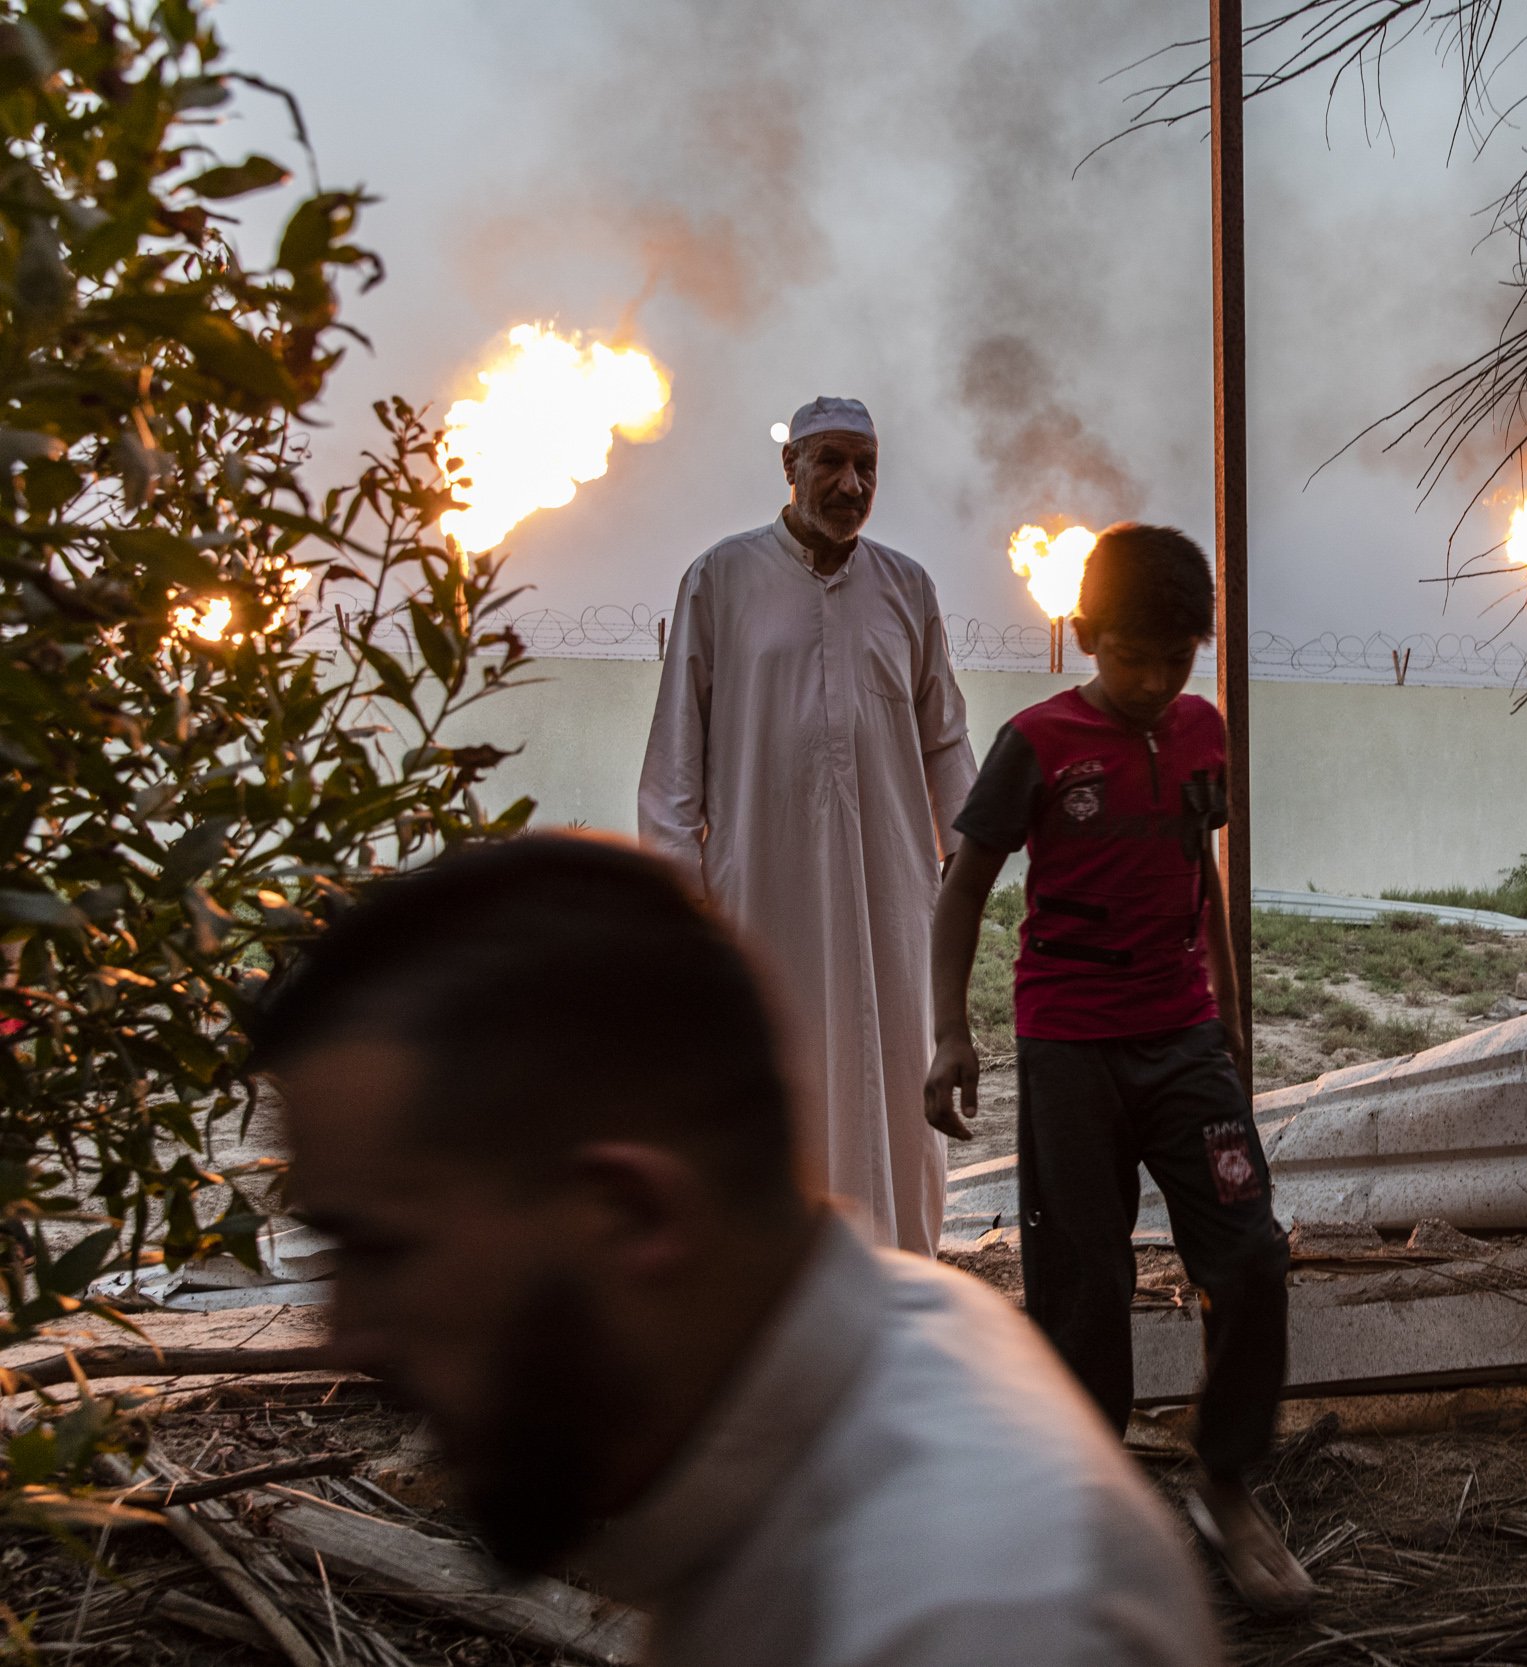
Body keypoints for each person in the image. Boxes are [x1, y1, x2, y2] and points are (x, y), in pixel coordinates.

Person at [255, 834, 1222, 1667]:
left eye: (381, 1248)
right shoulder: (863, 1355)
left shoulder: (979, 1616)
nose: (344, 1336)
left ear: (632, 1214)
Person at [923, 524, 1312, 1615]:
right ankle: (1091, 1503)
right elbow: (962, 887)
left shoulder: (1200, 731)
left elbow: (1203, 871)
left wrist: (1229, 1017)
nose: (1152, 681)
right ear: (1086, 636)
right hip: (1068, 1048)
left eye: (1176, 657)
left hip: (1182, 1040)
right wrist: (950, 1032)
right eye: (1131, 656)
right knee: (1083, 1282)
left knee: (1249, 1256)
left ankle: (1225, 1479)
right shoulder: (1035, 741)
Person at [638, 396, 976, 1254]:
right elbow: (674, 766)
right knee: (775, 1081)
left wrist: (962, 871)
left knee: (897, 1083)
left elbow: (945, 745)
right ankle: (776, 1284)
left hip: (891, 898)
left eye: (865, 465)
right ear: (789, 468)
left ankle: (899, 1278)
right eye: (829, 461)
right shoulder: (721, 580)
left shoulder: (908, 588)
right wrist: (688, 905)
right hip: (763, 895)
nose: (850, 482)